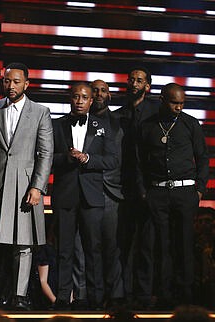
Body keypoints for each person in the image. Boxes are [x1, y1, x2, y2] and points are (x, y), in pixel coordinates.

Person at [0, 62, 53, 310]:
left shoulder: (40, 111)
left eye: (15, 81)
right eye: (6, 81)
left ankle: (20, 295)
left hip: (25, 185)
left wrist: (38, 186)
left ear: (26, 83)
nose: (10, 86)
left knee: (24, 243)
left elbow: (45, 153)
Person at [136, 83, 209, 307]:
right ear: (162, 99)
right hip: (157, 192)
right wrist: (144, 192)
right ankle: (164, 294)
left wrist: (199, 190)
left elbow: (203, 158)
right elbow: (139, 162)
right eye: (174, 103)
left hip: (185, 192)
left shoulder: (190, 123)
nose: (178, 107)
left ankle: (185, 294)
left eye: (181, 104)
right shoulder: (148, 125)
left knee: (185, 244)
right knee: (161, 245)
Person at [51, 82, 117, 310]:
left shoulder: (103, 126)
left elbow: (112, 160)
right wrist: (67, 158)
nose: (79, 100)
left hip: (92, 197)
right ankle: (62, 298)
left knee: (93, 250)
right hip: (65, 195)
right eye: (75, 96)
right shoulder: (56, 125)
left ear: (91, 101)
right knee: (64, 250)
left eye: (84, 97)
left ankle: (96, 299)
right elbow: (46, 158)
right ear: (70, 99)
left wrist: (88, 158)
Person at [112, 67, 157, 306]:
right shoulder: (119, 114)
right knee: (123, 242)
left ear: (147, 86)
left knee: (147, 244)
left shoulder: (156, 113)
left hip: (150, 187)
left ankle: (144, 293)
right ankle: (124, 293)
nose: (134, 83)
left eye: (139, 80)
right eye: (131, 79)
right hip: (123, 186)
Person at [90, 79, 125, 306]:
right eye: (96, 90)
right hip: (87, 190)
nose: (100, 94)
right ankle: (93, 296)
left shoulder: (120, 121)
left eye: (104, 90)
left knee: (113, 247)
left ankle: (117, 296)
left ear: (109, 95)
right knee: (90, 248)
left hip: (113, 191)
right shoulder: (79, 119)